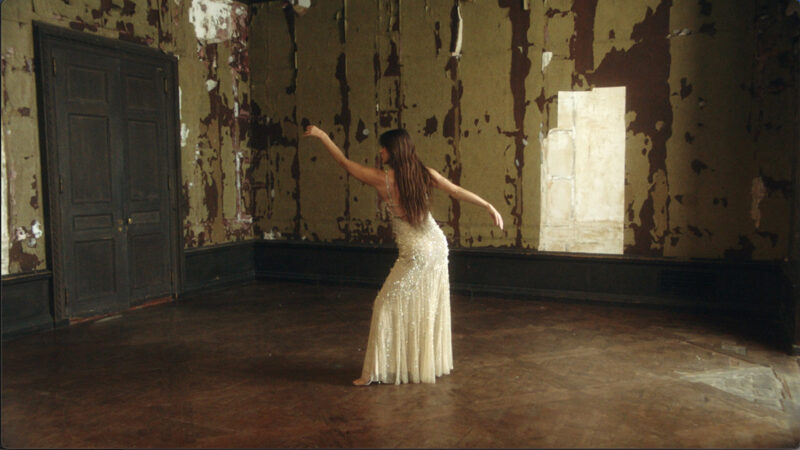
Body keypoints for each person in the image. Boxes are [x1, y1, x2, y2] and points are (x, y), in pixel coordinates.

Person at [303, 125, 503, 385]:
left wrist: (322, 136)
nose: (380, 151)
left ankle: (371, 373)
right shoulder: (424, 174)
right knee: (423, 305)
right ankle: (416, 364)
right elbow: (455, 190)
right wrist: (488, 205)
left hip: (417, 252)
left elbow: (344, 163)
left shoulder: (382, 179)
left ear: (394, 150)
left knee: (384, 305)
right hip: (438, 247)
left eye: (384, 147)